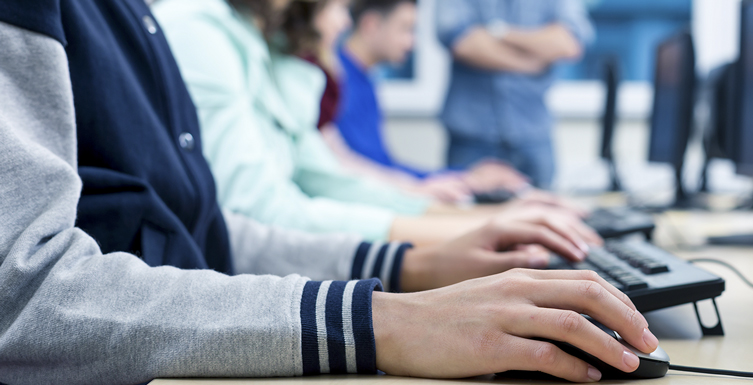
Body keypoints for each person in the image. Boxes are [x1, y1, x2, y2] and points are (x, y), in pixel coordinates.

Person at [0, 0, 658, 385]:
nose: (343, 22)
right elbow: (21, 294)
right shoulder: (189, 26)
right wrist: (378, 320)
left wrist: (412, 268)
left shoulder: (133, 18)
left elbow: (207, 234)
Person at [152, 0, 586, 244]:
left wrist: (480, 219)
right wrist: (473, 226)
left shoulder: (264, 49)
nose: (345, 20)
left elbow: (327, 176)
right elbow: (263, 209)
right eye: (340, 6)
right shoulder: (202, 29)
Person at [328, 0, 529, 199]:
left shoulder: (363, 79)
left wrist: (463, 176)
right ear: (371, 24)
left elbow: (382, 167)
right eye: (405, 29)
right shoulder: (337, 79)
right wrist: (465, 179)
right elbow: (363, 167)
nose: (411, 42)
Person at [436, 0, 594, 189]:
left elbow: (568, 43)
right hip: (471, 137)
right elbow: (462, 43)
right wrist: (530, 62)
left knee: (545, 212)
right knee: (463, 214)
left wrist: (498, 32)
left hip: (534, 135)